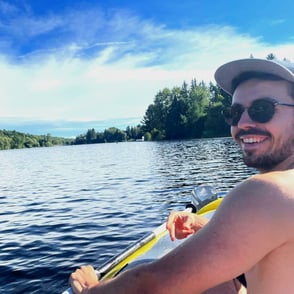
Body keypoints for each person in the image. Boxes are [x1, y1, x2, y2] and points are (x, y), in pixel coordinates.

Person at [69, 58, 294, 293]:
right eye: (234, 113)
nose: (243, 123)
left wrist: (90, 288)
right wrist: (203, 225)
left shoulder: (266, 192)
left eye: (262, 109)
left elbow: (151, 285)